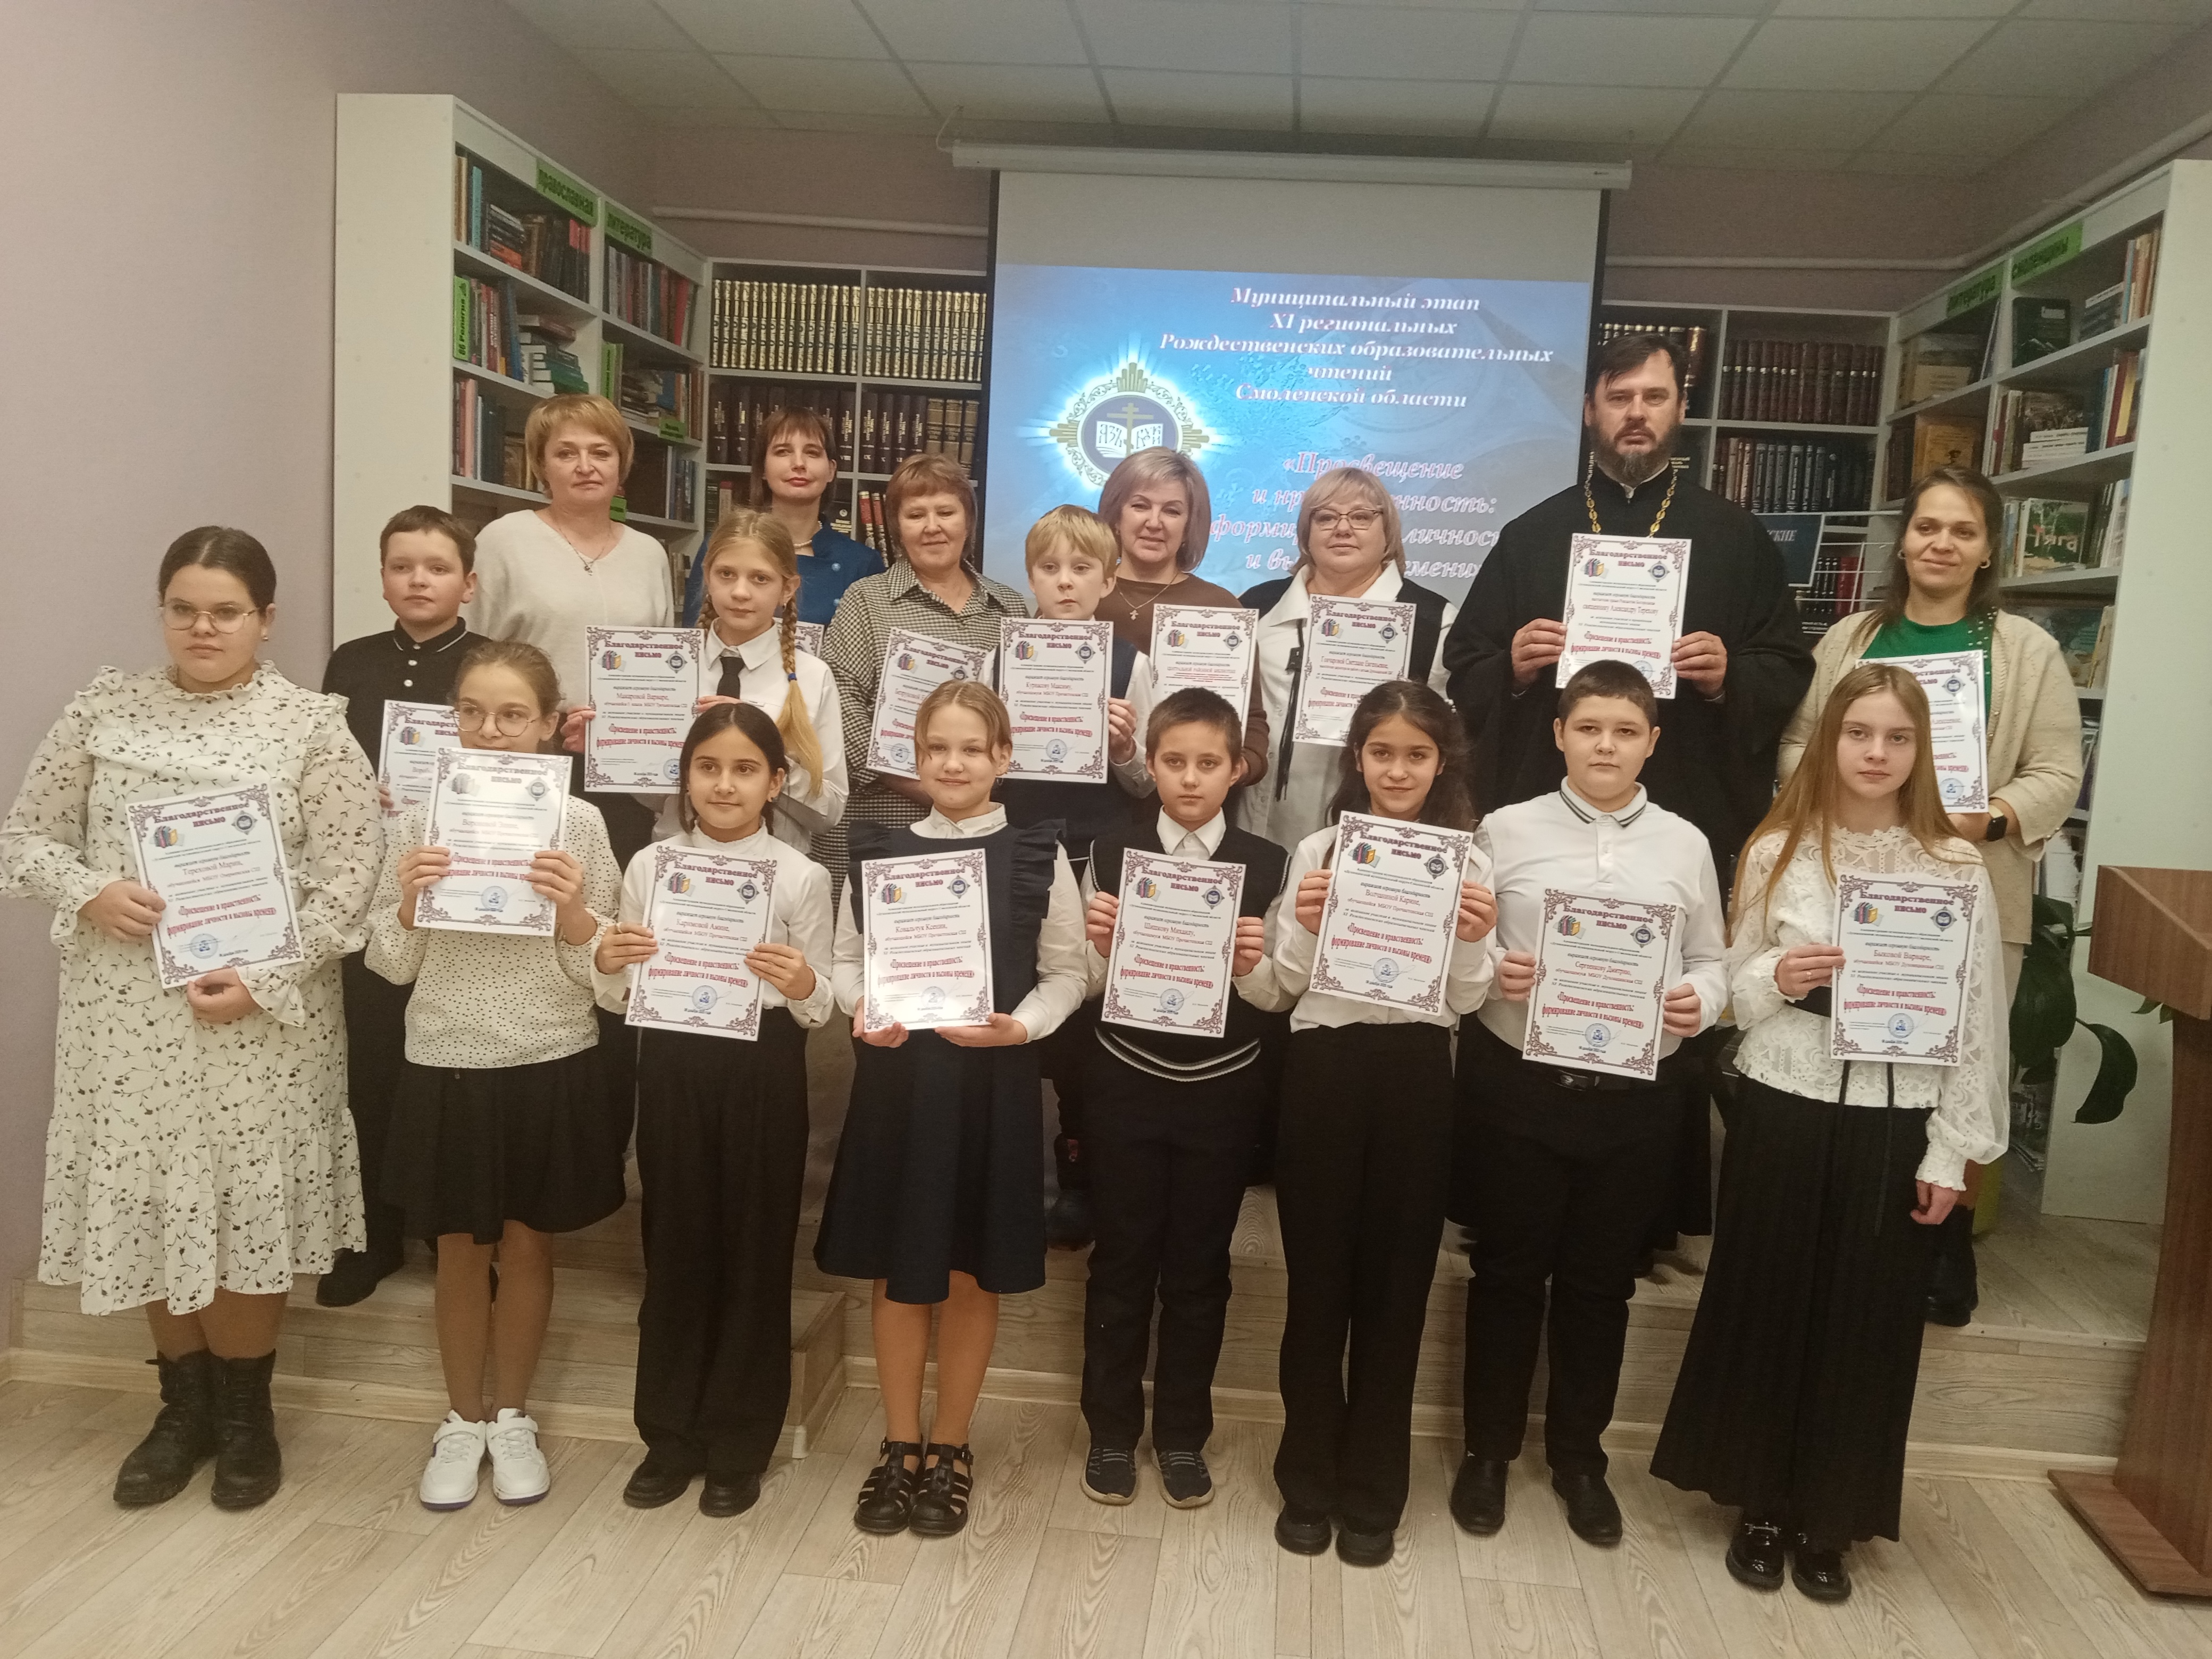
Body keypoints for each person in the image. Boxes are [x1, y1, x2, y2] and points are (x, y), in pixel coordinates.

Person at [1, 526, 381, 1510]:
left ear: (266, 619)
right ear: (162, 611)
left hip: (261, 1014)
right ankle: (183, 1411)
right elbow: (23, 837)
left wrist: (268, 973)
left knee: (242, 1199)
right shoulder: (102, 711)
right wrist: (89, 890)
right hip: (127, 1015)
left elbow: (353, 875)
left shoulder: (310, 726)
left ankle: (247, 1416)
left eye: (226, 612)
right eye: (184, 609)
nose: (203, 628)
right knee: (154, 1196)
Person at [1443, 331, 1816, 1246]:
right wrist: (1516, 665)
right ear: (1590, 413)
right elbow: (1467, 664)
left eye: (1653, 397)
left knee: (1658, 989)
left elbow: (1788, 667)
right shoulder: (1532, 535)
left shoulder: (1733, 536)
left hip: (1679, 809)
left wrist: (1730, 674)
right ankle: (1510, 1200)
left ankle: (1638, 1216)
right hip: (1548, 810)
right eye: (1618, 399)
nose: (1636, 415)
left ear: (1679, 408)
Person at [1651, 663, 2008, 1604]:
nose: (1876, 754)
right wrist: (1778, 976)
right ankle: (1761, 1502)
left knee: (1869, 1316)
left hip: (1898, 1112)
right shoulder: (1780, 848)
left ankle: (1831, 1514)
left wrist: (1953, 1148)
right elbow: (1733, 984)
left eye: (1898, 738)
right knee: (1767, 1297)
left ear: (1922, 751)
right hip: (1787, 1095)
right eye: (1859, 734)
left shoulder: (1955, 866)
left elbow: (1978, 1012)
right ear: (1828, 742)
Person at [1777, 464, 2080, 1325]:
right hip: (1850, 884)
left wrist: (1989, 819)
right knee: (1857, 1053)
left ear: (1988, 552)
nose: (1941, 544)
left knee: (1957, 1063)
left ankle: (1944, 1247)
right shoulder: (1852, 638)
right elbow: (1799, 743)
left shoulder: (2025, 651)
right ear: (1904, 541)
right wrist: (1840, 803)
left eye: (1963, 531)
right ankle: (1853, 1242)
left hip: (1973, 885)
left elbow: (2058, 771)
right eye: (1927, 527)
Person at [1447, 661, 1728, 1548]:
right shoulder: (1503, 829)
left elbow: (1713, 959)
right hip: (1520, 1087)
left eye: (1626, 731)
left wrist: (1700, 1000)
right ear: (1560, 734)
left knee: (1601, 1286)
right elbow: (1460, 948)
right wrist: (1497, 969)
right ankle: (1487, 1454)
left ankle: (1579, 1459)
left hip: (1636, 1100)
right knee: (1507, 1275)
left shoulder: (1685, 843)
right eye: (1590, 728)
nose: (1606, 745)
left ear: (1653, 742)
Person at [814, 680, 1088, 1539]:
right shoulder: (881, 851)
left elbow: (1069, 973)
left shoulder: (1039, 852)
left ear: (1003, 757)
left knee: (971, 1269)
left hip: (991, 1085)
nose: (955, 763)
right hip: (901, 1083)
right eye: (938, 748)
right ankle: (900, 1444)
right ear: (917, 757)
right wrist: (861, 1006)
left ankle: (952, 1446)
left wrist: (1022, 1028)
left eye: (973, 748)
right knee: (899, 1267)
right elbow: (847, 960)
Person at [366, 639, 624, 1512]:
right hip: (446, 1057)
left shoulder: (579, 826)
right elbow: (390, 964)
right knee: (456, 1249)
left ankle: (512, 1416)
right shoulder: (417, 824)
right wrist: (411, 900)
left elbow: (607, 973)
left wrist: (574, 911)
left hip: (547, 1054)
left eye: (513, 715)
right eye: (472, 713)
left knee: (527, 1243)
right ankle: (462, 1419)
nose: (490, 730)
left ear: (550, 726)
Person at [1269, 681, 1497, 1569]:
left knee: (1397, 1292)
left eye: (1417, 754)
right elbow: (1285, 984)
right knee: (1317, 1286)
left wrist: (1472, 937)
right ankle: (1306, 1480)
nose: (1398, 770)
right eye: (1382, 752)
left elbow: (1468, 999)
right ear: (1357, 758)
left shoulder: (1469, 863)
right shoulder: (1320, 850)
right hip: (1324, 1068)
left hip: (1416, 1073)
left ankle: (1374, 1490)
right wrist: (1305, 922)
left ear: (1444, 763)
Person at [593, 702, 834, 1518]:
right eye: (707, 767)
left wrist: (803, 982)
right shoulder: (650, 867)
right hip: (672, 1066)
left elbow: (821, 1005)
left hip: (763, 1070)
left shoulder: (801, 877)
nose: (724, 784)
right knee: (675, 1243)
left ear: (776, 782)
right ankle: (669, 1435)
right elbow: (619, 992)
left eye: (744, 769)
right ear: (686, 779)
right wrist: (610, 960)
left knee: (755, 1248)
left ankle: (739, 1441)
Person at [1076, 688, 1292, 1510]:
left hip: (1223, 1089)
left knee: (1201, 1271)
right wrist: (1101, 947)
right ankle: (1109, 1429)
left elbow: (1281, 995)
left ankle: (1180, 1436)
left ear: (1237, 769)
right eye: (1174, 762)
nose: (1191, 779)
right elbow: (1081, 981)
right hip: (1125, 1082)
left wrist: (1254, 965)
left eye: (1209, 763)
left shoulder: (1270, 865)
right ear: (1151, 765)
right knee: (1121, 1260)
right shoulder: (1107, 852)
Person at [316, 504, 479, 1308]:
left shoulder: (490, 664)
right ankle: (370, 1236)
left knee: (453, 1070)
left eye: (437, 567)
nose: (419, 580)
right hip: (372, 892)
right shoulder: (351, 662)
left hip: (466, 892)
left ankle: (457, 1237)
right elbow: (321, 770)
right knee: (373, 1064)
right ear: (382, 578)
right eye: (402, 566)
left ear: (468, 583)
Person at [997, 504, 1157, 1250]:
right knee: (1013, 1008)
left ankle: (1080, 1179)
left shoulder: (1132, 664)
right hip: (1018, 858)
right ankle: (1005, 1174)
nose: (1065, 582)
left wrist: (1124, 749)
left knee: (1085, 1034)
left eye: (1081, 568)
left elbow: (1149, 783)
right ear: (1030, 577)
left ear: (1108, 580)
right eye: (1049, 568)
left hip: (1094, 862)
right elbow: (979, 768)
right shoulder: (1000, 658)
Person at [467, 391, 676, 869]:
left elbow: (663, 667)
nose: (586, 467)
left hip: (627, 772)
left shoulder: (650, 554)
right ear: (541, 465)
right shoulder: (503, 541)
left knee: (614, 896)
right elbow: (473, 660)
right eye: (566, 453)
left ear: (621, 464)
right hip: (528, 760)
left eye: (601, 452)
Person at [575, 510, 846, 857]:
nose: (741, 592)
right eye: (726, 574)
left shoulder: (812, 676)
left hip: (772, 870)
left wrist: (762, 747)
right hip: (679, 861)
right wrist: (614, 749)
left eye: (760, 579)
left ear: (787, 588)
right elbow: (659, 798)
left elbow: (829, 813)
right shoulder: (662, 666)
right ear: (707, 576)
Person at [820, 451, 1029, 890]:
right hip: (885, 821)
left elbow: (1023, 714)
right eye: (916, 515)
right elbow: (841, 703)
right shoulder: (866, 600)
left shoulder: (1008, 608)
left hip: (980, 830)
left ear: (968, 521)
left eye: (946, 512)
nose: (932, 526)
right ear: (897, 527)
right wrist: (920, 781)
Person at [1238, 466, 1457, 851]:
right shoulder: (1257, 606)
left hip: (1368, 839)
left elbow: (1443, 742)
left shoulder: (1433, 621)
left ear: (1388, 531)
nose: (1342, 529)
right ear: (1305, 533)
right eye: (1325, 517)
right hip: (1250, 826)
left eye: (1361, 517)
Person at [1093, 447, 1270, 787]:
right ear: (1116, 516)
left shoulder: (1221, 608)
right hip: (1088, 802)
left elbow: (1252, 722)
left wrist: (1236, 770)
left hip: (1190, 799)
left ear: (1190, 526)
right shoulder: (1078, 598)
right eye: (1140, 506)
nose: (1154, 522)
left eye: (1172, 511)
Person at [682, 404, 882, 628]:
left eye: (812, 453)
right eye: (783, 452)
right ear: (763, 469)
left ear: (831, 471)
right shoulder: (720, 544)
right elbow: (694, 635)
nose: (799, 464)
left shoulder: (862, 562)